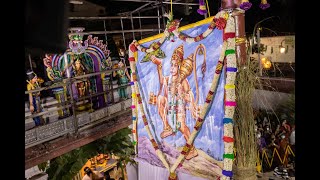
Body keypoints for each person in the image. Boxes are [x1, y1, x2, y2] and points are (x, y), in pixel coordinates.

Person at [149, 44, 202, 160]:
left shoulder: (183, 80)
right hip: (170, 108)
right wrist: (159, 66)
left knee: (182, 127)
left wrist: (183, 95)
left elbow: (189, 95)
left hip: (179, 108)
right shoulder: (168, 79)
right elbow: (162, 82)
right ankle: (167, 127)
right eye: (171, 65)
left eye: (175, 65)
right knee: (160, 99)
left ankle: (191, 149)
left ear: (179, 67)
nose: (172, 68)